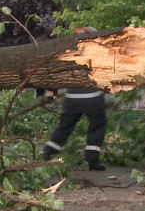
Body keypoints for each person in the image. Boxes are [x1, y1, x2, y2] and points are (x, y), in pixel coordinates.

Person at [42, 26, 107, 171]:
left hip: (72, 98)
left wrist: (52, 93)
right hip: (93, 98)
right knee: (97, 126)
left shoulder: (69, 54)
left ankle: (48, 151)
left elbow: (58, 76)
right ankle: (92, 160)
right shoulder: (97, 54)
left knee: (65, 126)